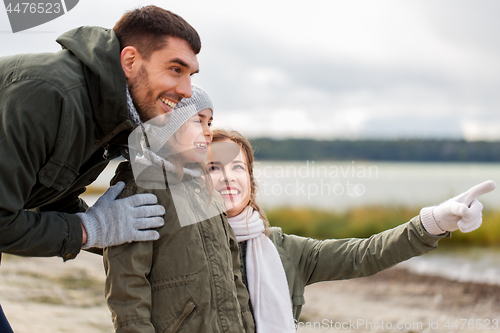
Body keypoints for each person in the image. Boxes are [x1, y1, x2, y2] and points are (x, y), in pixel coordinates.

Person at [0, 5, 200, 331]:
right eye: (175, 69)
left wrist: (125, 234)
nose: (186, 91)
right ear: (130, 61)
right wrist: (90, 229)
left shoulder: (109, 117)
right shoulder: (48, 96)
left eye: (191, 75)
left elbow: (47, 200)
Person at [206, 129, 496, 333]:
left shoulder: (286, 251)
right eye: (213, 168)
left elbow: (365, 254)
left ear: (251, 181)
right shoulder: (182, 246)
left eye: (237, 167)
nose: (228, 177)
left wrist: (434, 221)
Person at [104, 86, 254, 333]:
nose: (208, 132)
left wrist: (246, 327)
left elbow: (233, 272)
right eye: (198, 121)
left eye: (210, 122)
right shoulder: (142, 190)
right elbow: (127, 284)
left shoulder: (207, 193)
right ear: (168, 128)